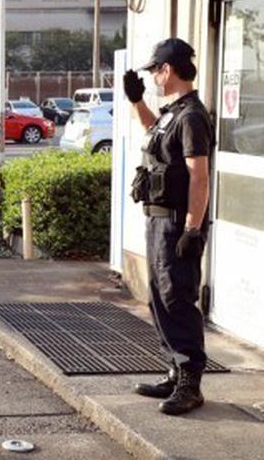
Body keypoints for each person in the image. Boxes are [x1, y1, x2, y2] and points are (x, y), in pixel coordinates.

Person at [124, 37, 213, 416]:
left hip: (178, 224)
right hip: (158, 220)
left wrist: (193, 229)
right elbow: (152, 135)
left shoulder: (192, 115)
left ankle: (190, 384)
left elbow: (200, 177)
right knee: (159, 297)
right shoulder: (172, 112)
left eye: (154, 71)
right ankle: (175, 371)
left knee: (177, 299)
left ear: (168, 69)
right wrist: (136, 100)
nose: (153, 78)